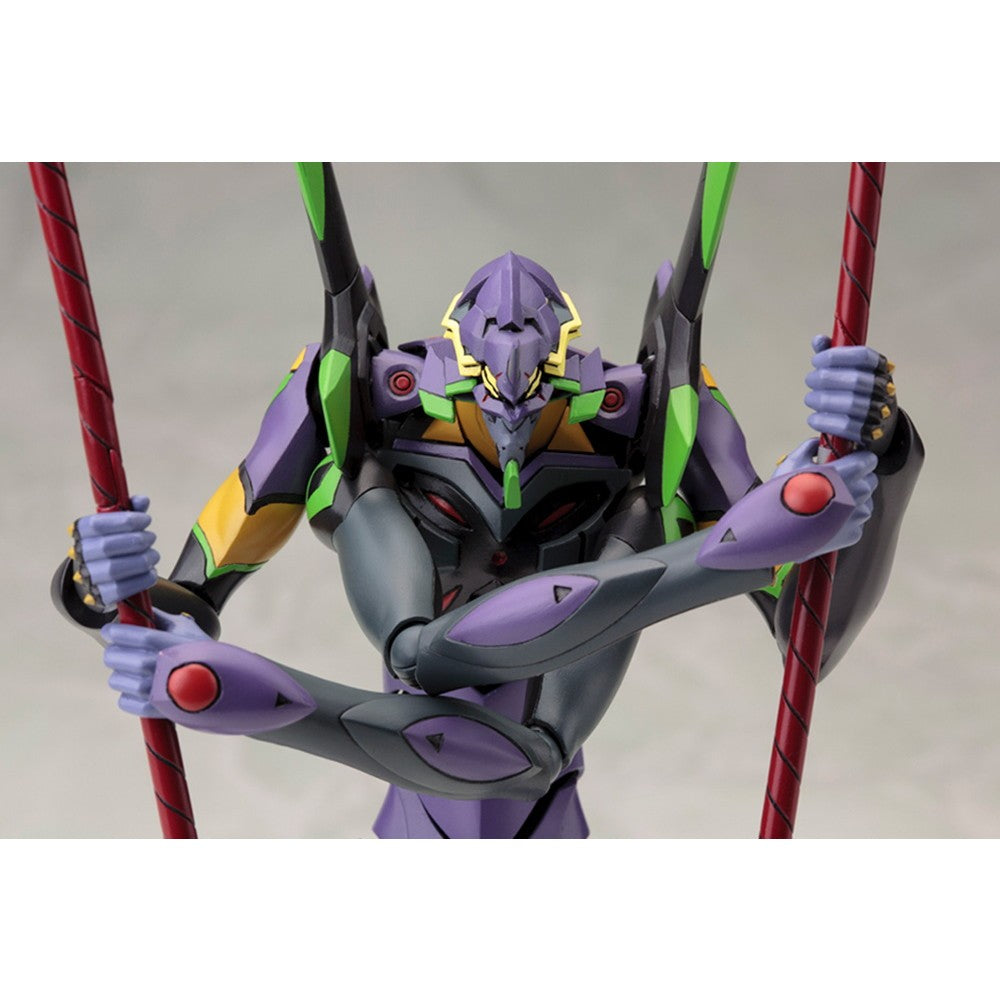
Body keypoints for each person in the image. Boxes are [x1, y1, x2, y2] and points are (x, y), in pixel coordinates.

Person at [53, 165, 922, 838]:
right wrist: (104, 581)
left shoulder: (649, 420)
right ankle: (716, 560)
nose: (509, 432)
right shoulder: (360, 402)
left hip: (543, 747)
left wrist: (874, 451)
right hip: (412, 654)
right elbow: (180, 600)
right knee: (421, 648)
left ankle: (250, 697)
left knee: (528, 756)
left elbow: (812, 631)